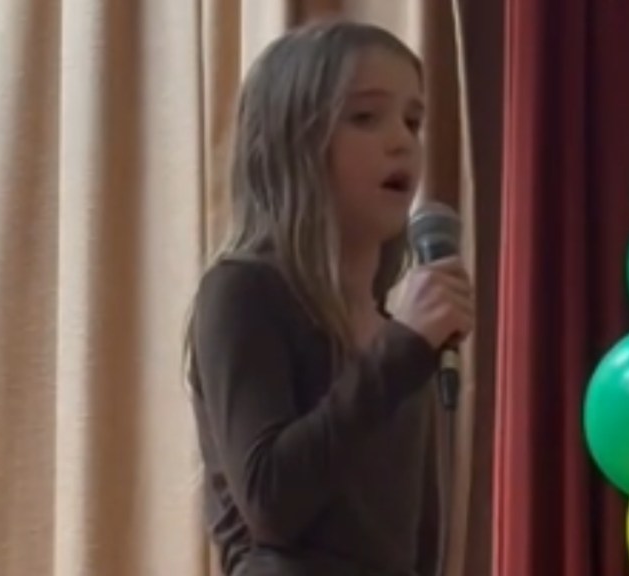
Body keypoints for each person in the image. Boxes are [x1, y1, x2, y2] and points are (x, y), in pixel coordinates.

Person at [184, 19, 475, 576]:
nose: (401, 141)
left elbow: (414, 539)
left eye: (413, 121)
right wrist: (399, 352)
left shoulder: (400, 336)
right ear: (293, 143)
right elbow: (270, 501)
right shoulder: (244, 291)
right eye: (365, 117)